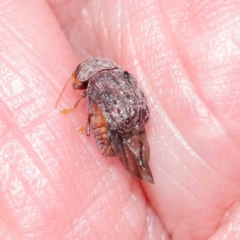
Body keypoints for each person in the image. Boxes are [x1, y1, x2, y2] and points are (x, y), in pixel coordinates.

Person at [1, 1, 239, 239]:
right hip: (128, 120)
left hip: (119, 124)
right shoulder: (111, 75)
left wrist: (88, 120)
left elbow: (88, 99)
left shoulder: (97, 83)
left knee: (116, 138)